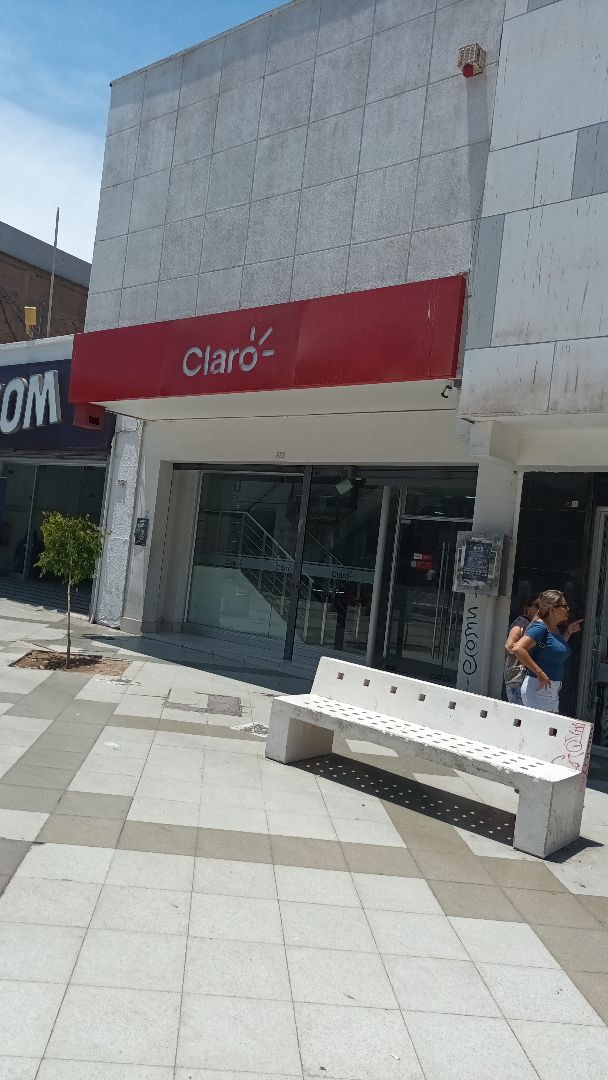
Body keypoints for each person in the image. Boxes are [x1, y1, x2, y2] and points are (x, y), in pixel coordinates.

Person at [511, 589, 582, 713]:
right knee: (539, 725)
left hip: (551, 689)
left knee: (550, 725)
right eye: (565, 606)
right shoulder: (540, 627)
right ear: (553, 609)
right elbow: (518, 648)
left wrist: (568, 633)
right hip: (539, 690)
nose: (568, 609)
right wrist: (539, 672)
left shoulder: (554, 629)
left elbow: (553, 649)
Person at [504, 596, 539, 705]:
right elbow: (509, 647)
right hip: (520, 677)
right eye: (537, 606)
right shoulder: (522, 622)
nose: (541, 609)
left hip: (535, 678)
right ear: (528, 608)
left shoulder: (542, 625)